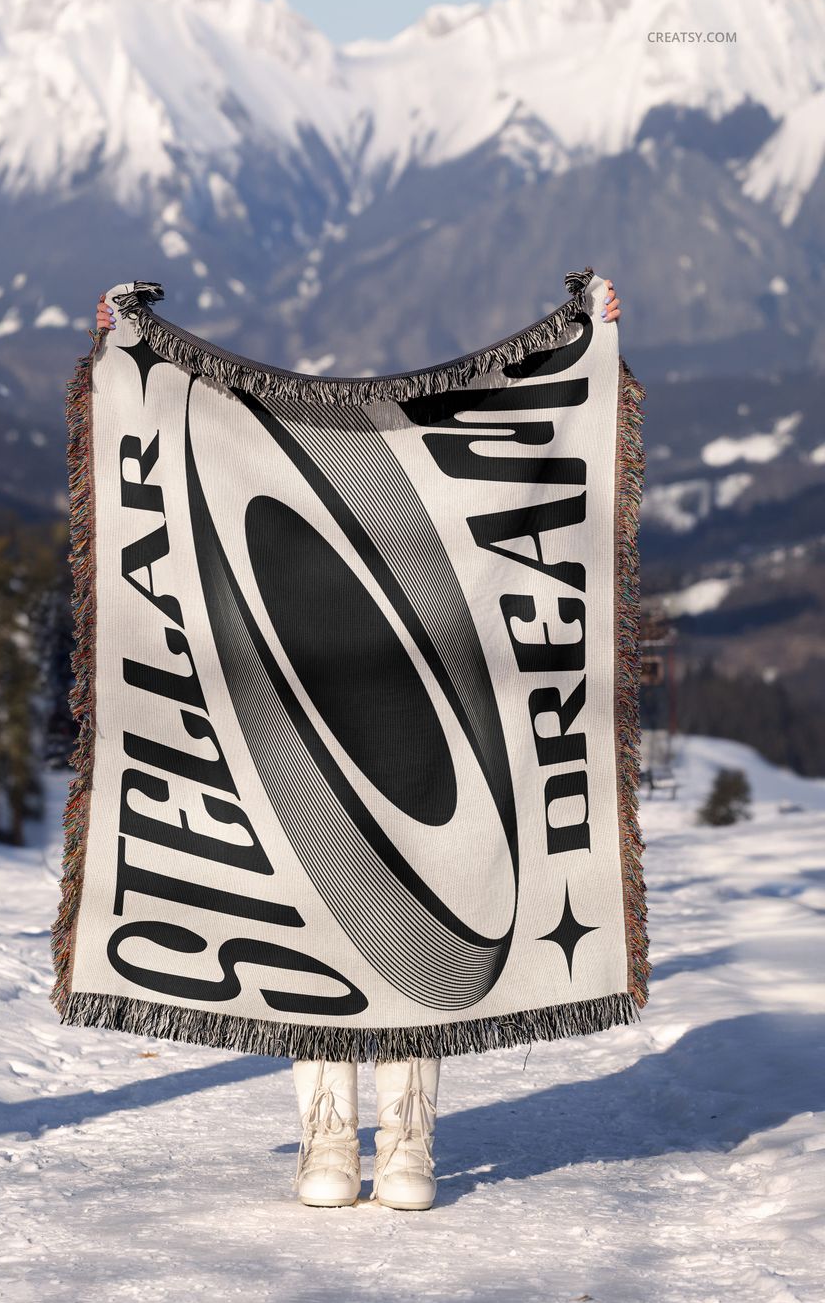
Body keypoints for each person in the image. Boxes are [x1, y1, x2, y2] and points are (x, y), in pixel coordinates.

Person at [93, 278, 622, 1211]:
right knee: (324, 921)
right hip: (307, 700)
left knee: (432, 896)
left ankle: (409, 1135)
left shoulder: (417, 492)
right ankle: (328, 1136)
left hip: (419, 714)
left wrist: (588, 337)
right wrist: (129, 344)